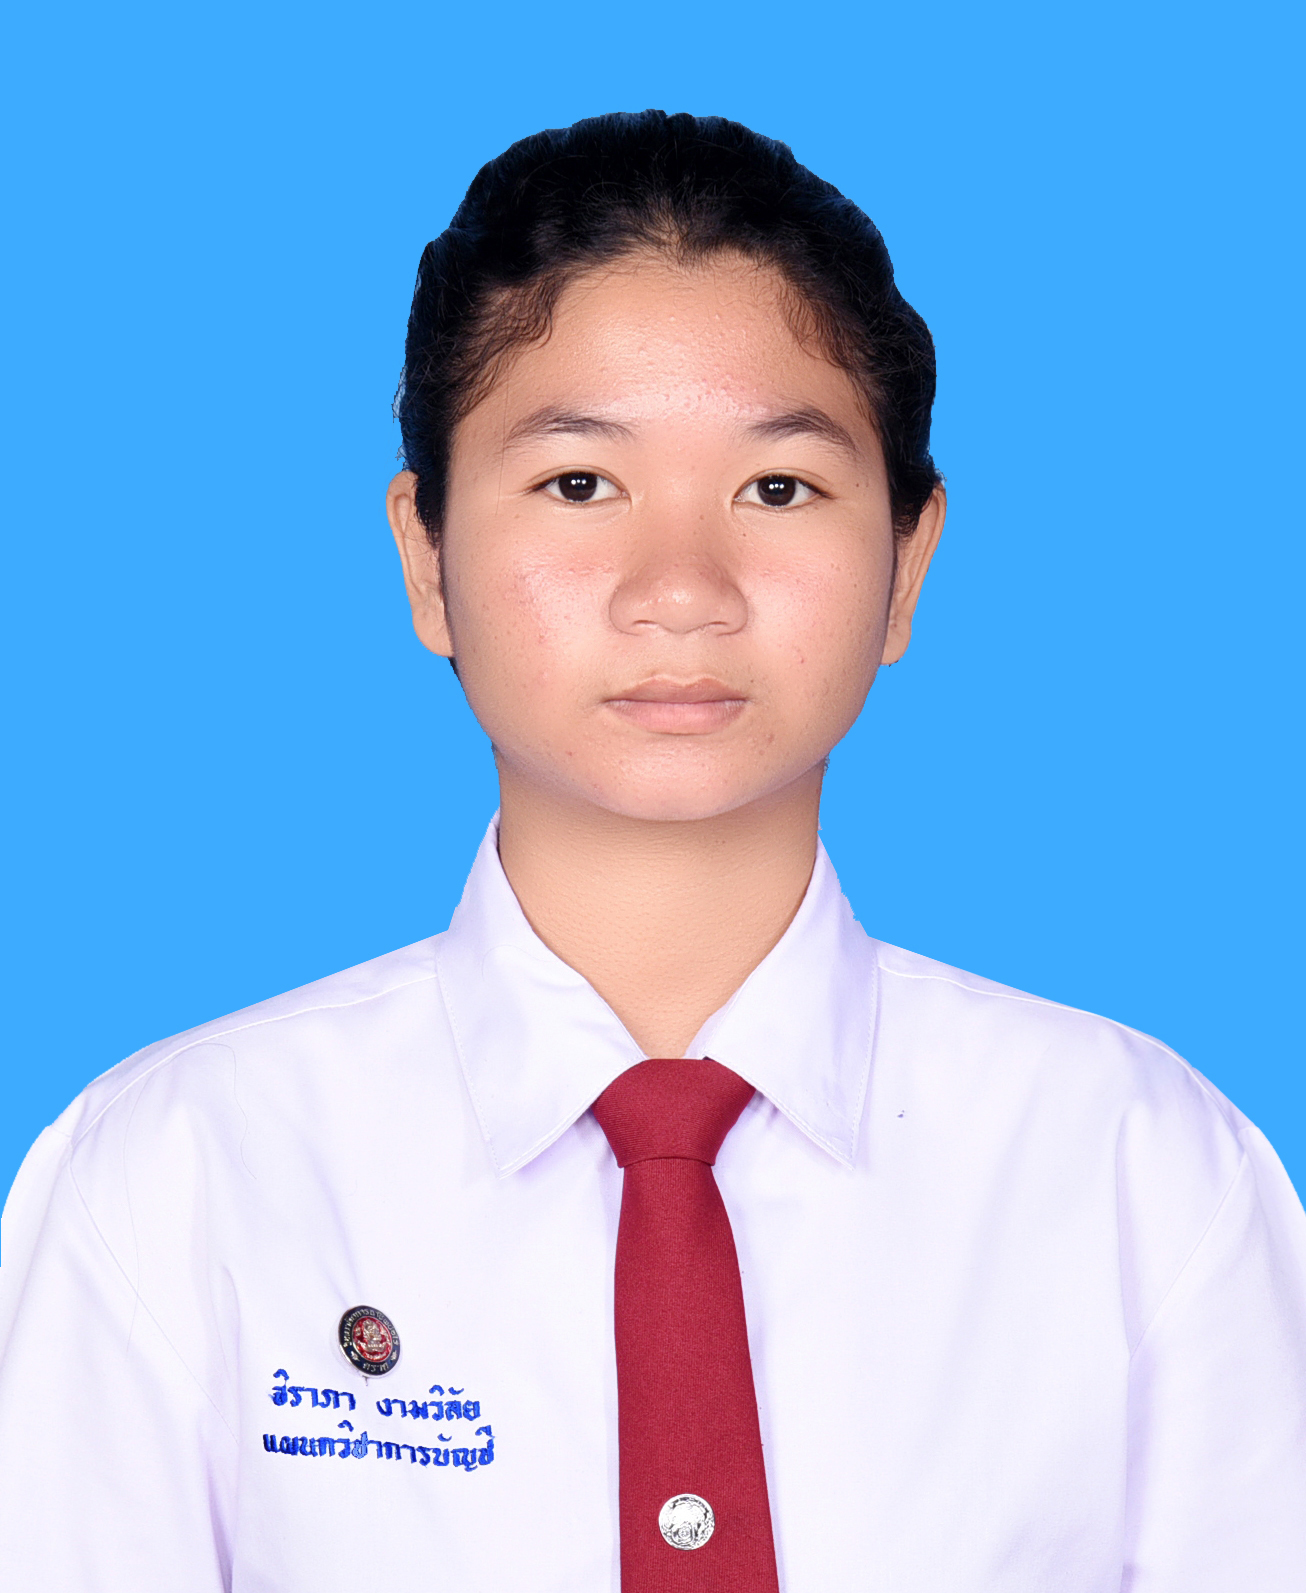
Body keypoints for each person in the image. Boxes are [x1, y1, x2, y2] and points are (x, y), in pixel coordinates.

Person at [1, 109, 1303, 1592]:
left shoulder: (1144, 1172)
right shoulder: (173, 1175)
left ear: (906, 564)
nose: (680, 588)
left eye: (776, 489)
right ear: (426, 555)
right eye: (578, 484)